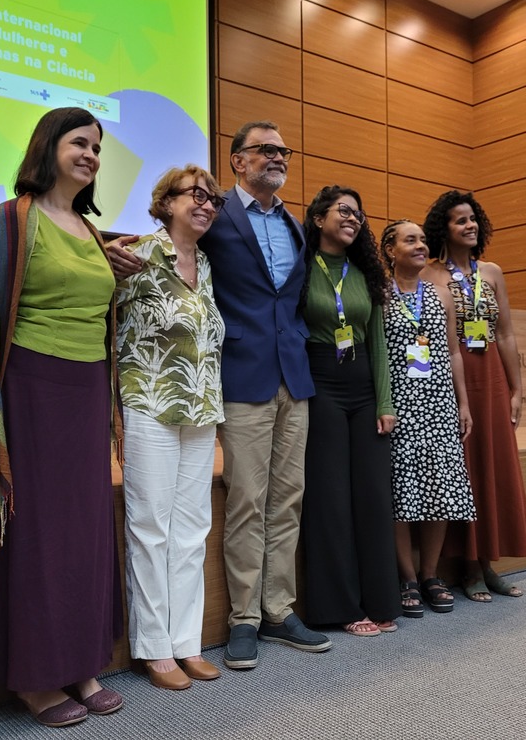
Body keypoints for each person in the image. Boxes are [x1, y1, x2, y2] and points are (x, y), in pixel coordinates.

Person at [116, 120, 330, 669]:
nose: (278, 158)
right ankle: (244, 618)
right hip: (236, 379)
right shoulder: (215, 218)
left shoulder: (293, 223)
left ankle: (279, 608)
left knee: (287, 500)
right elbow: (163, 251)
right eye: (265, 150)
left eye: (284, 150)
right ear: (238, 160)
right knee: (245, 501)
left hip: (293, 378)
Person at [0, 107, 124, 727]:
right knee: (36, 533)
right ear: (48, 147)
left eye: (97, 148)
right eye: (79, 143)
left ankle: (80, 663)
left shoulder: (86, 229)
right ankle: (33, 677)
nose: (90, 155)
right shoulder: (10, 219)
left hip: (85, 390)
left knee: (82, 529)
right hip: (28, 389)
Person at [115, 165, 226, 690]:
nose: (205, 204)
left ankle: (187, 643)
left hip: (201, 411)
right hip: (149, 406)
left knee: (191, 533)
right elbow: (104, 324)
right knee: (150, 527)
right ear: (166, 202)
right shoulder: (135, 254)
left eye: (213, 199)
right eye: (195, 195)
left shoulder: (206, 263)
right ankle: (155, 649)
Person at [421, 190, 526, 602]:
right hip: (450, 377)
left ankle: (488, 562)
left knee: (493, 466)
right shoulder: (428, 274)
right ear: (444, 230)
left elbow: (504, 332)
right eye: (459, 220)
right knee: (463, 469)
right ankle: (469, 567)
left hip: (491, 377)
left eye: (472, 219)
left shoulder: (492, 272)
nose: (469, 226)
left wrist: (517, 388)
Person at [299, 185, 401, 636]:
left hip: (363, 386)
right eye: (343, 210)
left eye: (358, 213)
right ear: (319, 218)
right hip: (319, 384)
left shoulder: (365, 271)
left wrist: (385, 401)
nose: (353, 218)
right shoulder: (300, 269)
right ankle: (338, 607)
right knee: (331, 499)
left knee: (374, 496)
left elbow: (377, 340)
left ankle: (381, 599)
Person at [380, 219, 475, 618]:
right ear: (389, 249)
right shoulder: (379, 293)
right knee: (402, 489)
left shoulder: (442, 294)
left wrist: (463, 404)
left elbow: (454, 352)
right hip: (399, 401)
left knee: (441, 486)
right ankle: (407, 578)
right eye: (410, 240)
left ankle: (431, 574)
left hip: (438, 402)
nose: (420, 245)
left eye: (422, 239)